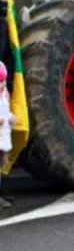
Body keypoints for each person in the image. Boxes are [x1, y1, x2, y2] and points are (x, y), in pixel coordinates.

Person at [0, 62, 14, 211]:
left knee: (2, 162)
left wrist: (10, 118)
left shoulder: (4, 94)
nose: (2, 85)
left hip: (3, 137)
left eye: (3, 81)